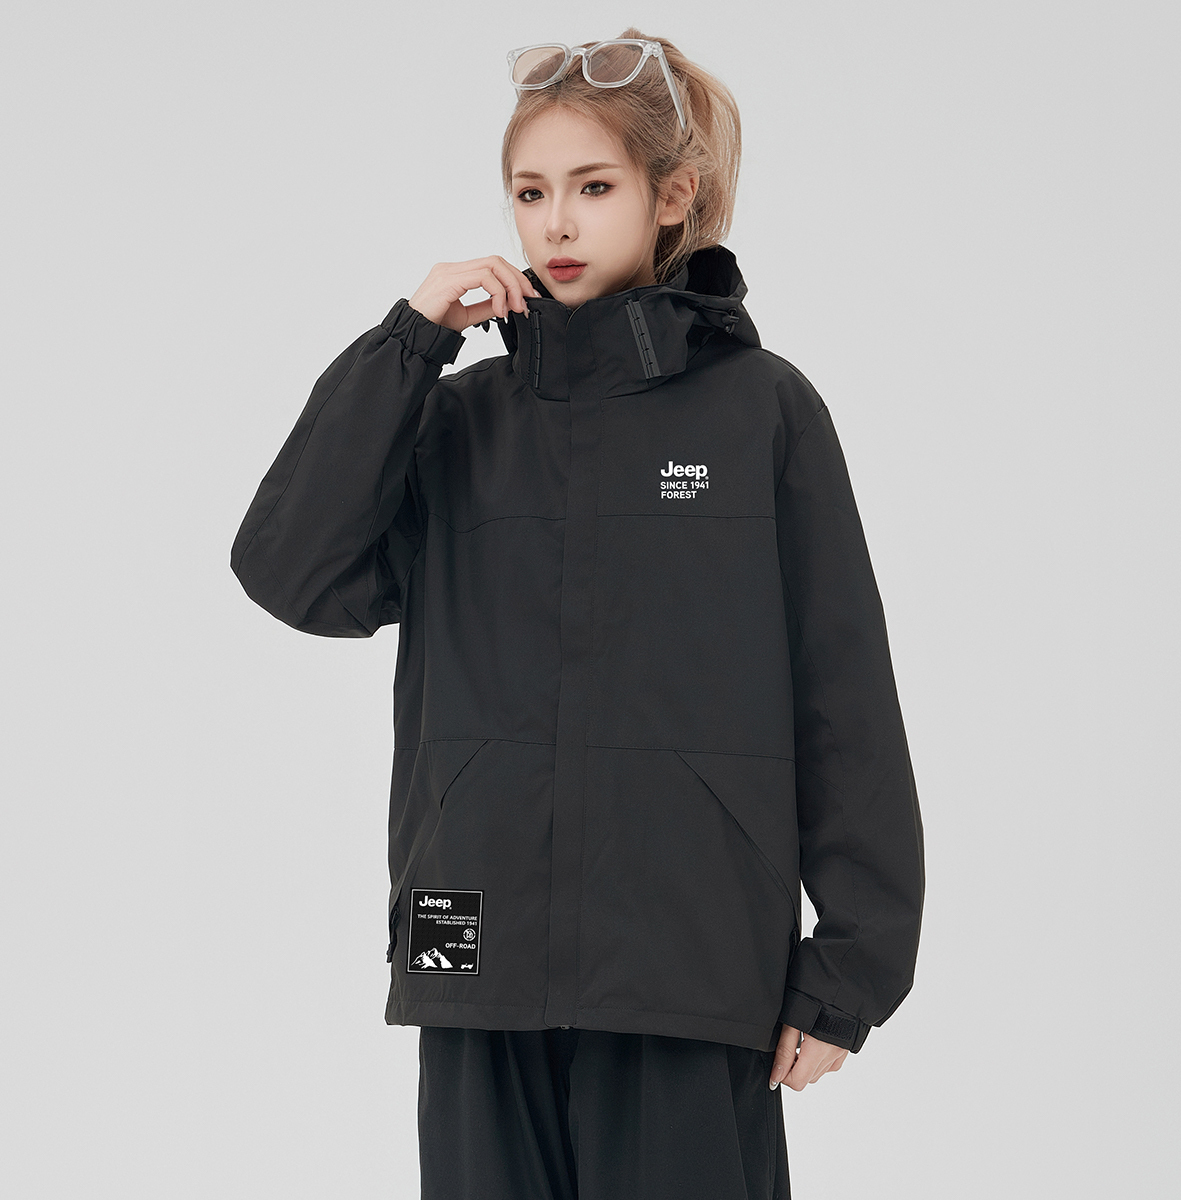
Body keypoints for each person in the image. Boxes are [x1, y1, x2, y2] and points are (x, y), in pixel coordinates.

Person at [231, 27, 925, 1200]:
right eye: (530, 192)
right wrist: (410, 341)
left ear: (673, 195)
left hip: (685, 967)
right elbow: (290, 568)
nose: (555, 222)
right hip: (472, 952)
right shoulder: (458, 421)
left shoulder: (763, 415)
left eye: (593, 188)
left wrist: (851, 970)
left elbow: (842, 694)